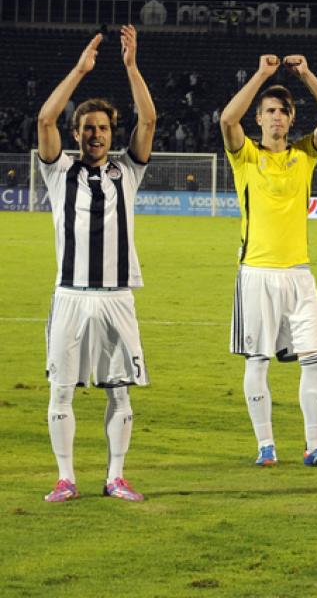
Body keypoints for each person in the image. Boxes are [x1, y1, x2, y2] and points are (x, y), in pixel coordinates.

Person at [37, 27, 156, 502]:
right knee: (61, 390)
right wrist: (80, 70)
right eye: (88, 128)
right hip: (70, 295)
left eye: (103, 128)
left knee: (119, 391)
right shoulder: (58, 170)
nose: (96, 134)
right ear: (76, 134)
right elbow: (45, 118)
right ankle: (65, 478)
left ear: (111, 133)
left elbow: (148, 120)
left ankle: (115, 477)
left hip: (116, 297)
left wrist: (131, 67)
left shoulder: (127, 170)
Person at [220, 54, 317, 470]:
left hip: (299, 274)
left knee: (314, 358)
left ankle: (314, 447)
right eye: (270, 111)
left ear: (292, 119)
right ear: (258, 118)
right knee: (257, 361)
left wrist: (306, 74)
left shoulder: (304, 154)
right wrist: (261, 75)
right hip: (256, 273)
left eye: (284, 111)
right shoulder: (245, 155)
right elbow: (227, 120)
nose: (277, 117)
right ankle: (266, 446)